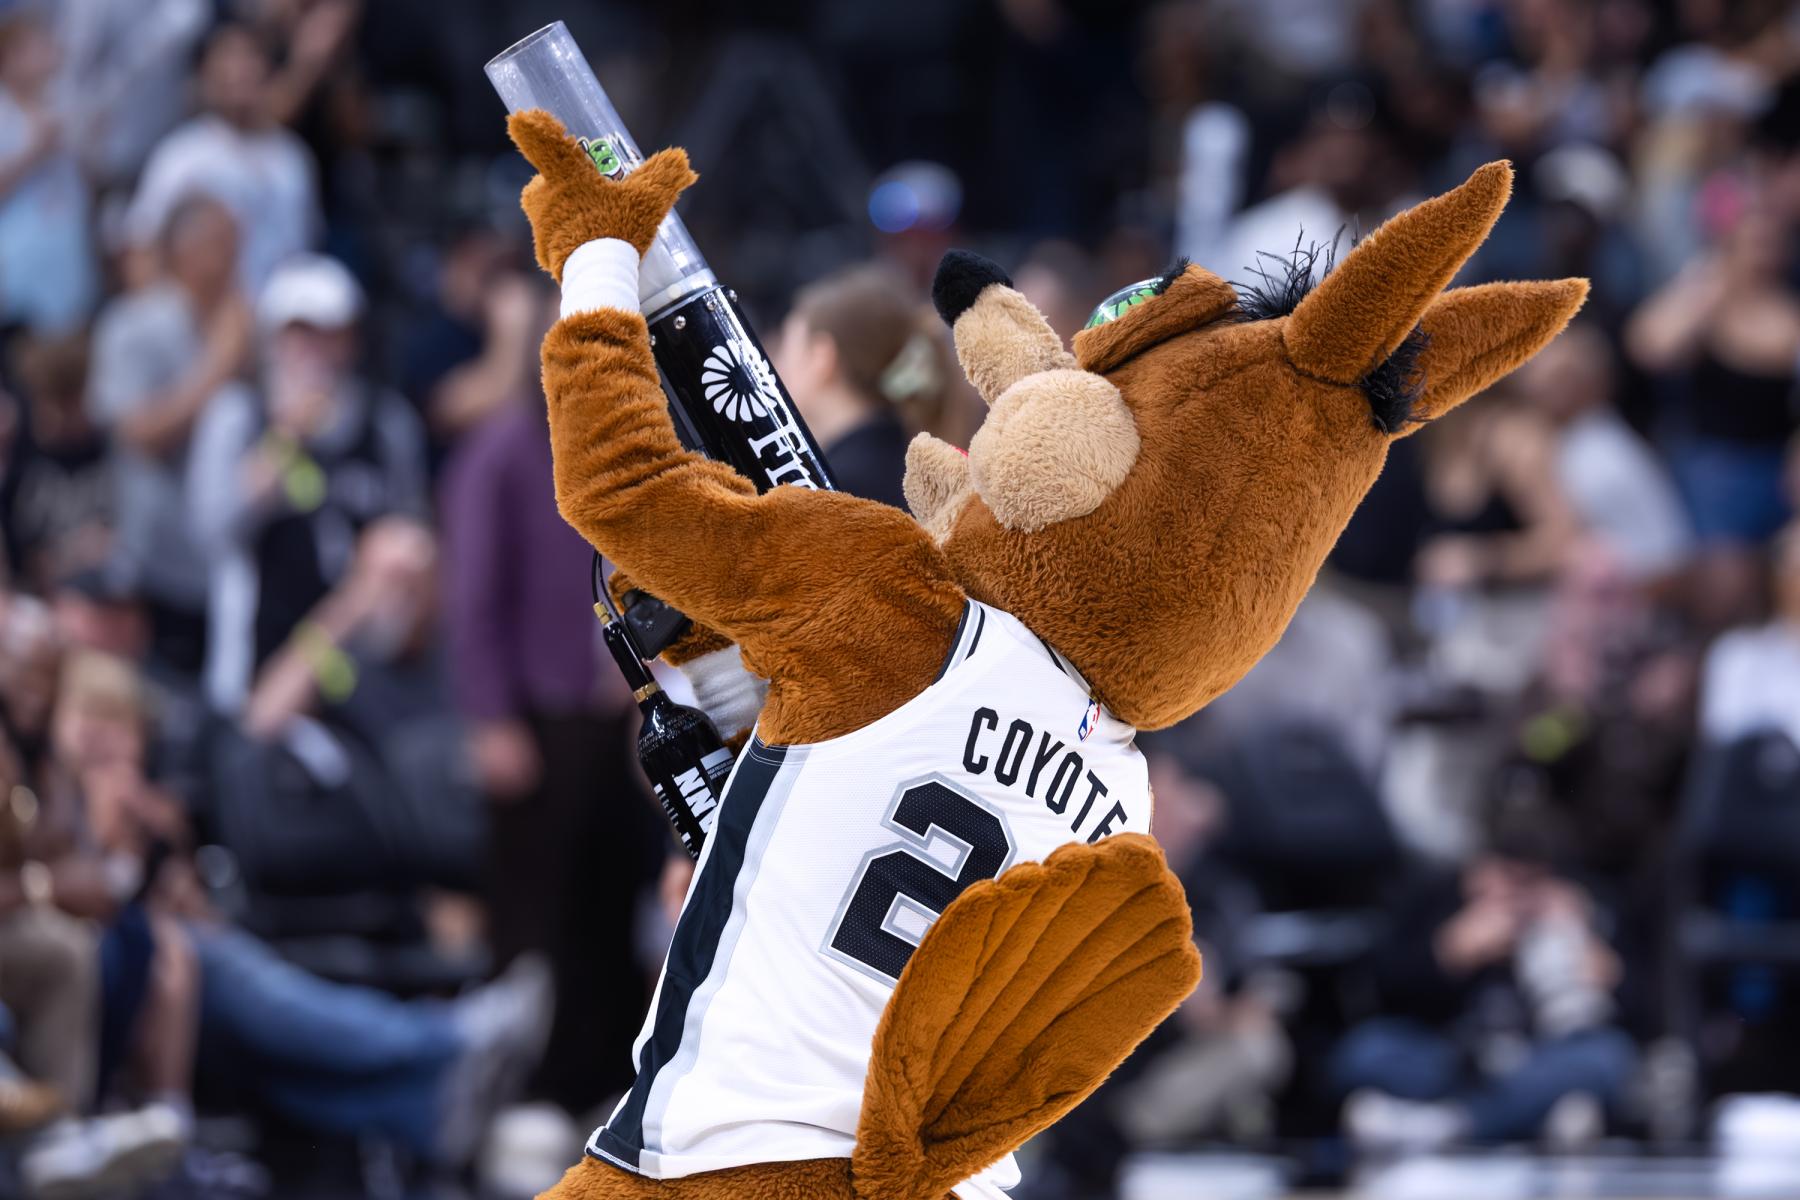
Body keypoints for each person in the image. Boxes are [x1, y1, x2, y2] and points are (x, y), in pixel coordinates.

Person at [439, 303, 663, 1108]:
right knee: (537, 912)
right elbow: (472, 596)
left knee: (612, 904)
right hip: (538, 714)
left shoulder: (623, 450)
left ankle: (607, 1082)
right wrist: (490, 716)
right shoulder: (500, 451)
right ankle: (525, 1092)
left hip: (620, 711)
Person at [188, 253, 428, 712]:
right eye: (300, 332)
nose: (314, 349)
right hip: (256, 664)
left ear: (351, 339)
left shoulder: (386, 423)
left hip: (364, 664)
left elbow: (411, 535)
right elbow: (212, 533)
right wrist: (285, 440)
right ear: (272, 339)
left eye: (329, 332)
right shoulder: (238, 415)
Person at [1332, 836, 1637, 1151]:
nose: (1514, 897)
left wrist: (1602, 967)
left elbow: (1638, 1014)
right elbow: (1381, 989)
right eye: (1506, 878)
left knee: (1609, 1057)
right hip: (1449, 1058)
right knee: (1366, 1051)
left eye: (1529, 883)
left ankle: (1446, 1125)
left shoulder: (1582, 910)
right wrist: (1447, 954)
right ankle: (1525, 1118)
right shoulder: (1439, 900)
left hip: (1536, 1059)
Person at [87, 194, 251, 677]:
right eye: (222, 243)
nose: (235, 256)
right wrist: (219, 367)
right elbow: (138, 433)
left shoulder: (248, 324)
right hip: (158, 566)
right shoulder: (132, 326)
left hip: (233, 564)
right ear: (185, 249)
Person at [1628, 207, 1800, 544]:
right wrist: (1702, 291)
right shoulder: (1707, 304)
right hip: (1719, 468)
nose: (1764, 255)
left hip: (1779, 461)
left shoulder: (1790, 309)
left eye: (1773, 244)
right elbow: (1650, 349)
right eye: (1755, 244)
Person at [125, 23, 320, 293]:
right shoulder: (182, 155)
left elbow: (303, 249)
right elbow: (141, 244)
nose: (240, 69)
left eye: (250, 56)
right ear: (206, 75)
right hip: (205, 310)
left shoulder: (293, 158)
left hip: (280, 307)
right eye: (228, 57)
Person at [1515, 323, 1692, 581]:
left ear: (1595, 381)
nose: (1539, 386)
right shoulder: (1568, 441)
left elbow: (1662, 559)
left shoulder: (1600, 453)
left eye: (1560, 379)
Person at [771, 263, 953, 509]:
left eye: (786, 350)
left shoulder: (836, 489)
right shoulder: (905, 462)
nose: (777, 367)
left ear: (820, 357)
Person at [0, 12, 96, 335]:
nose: (49, 52)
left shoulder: (66, 107)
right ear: (9, 58)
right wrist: (34, 152)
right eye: (37, 46)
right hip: (14, 266)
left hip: (67, 258)